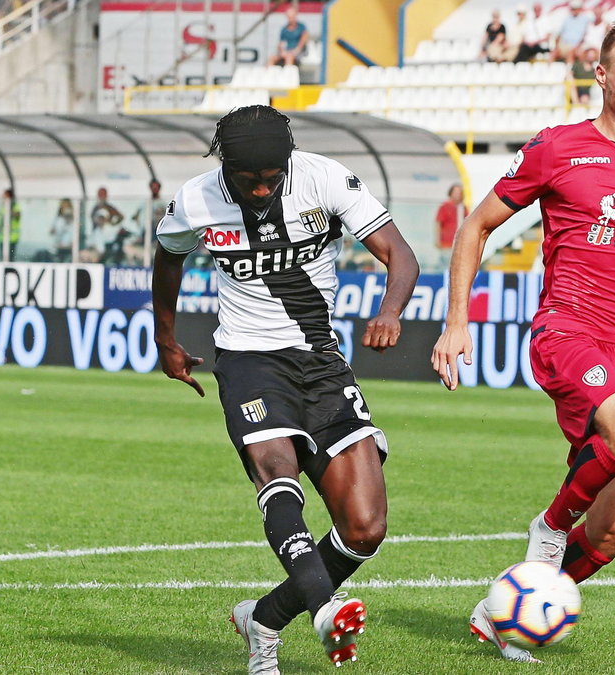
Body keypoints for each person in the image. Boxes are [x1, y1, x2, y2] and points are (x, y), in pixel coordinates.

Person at [430, 20, 615, 664]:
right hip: (569, 330)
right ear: (602, 75)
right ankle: (549, 529)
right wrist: (457, 324)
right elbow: (476, 227)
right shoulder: (559, 147)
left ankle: (507, 611)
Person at [151, 105, 419, 672]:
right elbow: (168, 261)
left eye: (274, 175)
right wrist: (167, 340)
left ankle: (264, 619)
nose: (263, 186)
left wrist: (390, 309)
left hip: (322, 363)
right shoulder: (194, 201)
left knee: (365, 528)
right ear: (226, 165)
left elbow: (401, 254)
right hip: (249, 358)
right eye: (250, 178)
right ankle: (325, 609)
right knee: (277, 469)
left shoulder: (324, 179)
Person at [435, 183, 467, 270]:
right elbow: (438, 223)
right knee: (446, 267)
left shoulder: (463, 208)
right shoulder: (445, 207)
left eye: (460, 192)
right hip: (447, 244)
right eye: (456, 192)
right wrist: (437, 240)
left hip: (460, 244)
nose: (458, 195)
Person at [0, 188, 20, 261]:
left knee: (10, 258)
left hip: (12, 237)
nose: (3, 197)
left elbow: (18, 215)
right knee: (3, 258)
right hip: (2, 237)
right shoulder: (2, 206)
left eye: (5, 195)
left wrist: (10, 212)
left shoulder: (15, 206)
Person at [49, 198, 75, 263]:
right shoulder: (58, 219)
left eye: (66, 206)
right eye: (63, 206)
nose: (65, 208)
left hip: (69, 250)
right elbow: (51, 232)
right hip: (58, 248)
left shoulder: (74, 221)